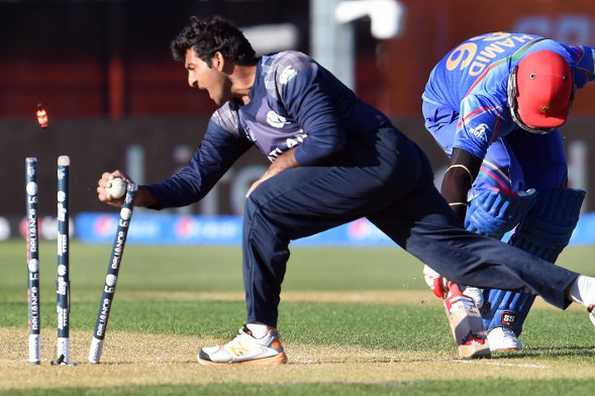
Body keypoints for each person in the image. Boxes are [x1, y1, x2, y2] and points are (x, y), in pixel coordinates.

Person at [97, 17, 595, 365]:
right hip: (378, 178)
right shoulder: (229, 118)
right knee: (459, 258)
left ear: (220, 60)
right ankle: (581, 288)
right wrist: (136, 194)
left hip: (382, 161)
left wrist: (277, 170)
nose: (190, 81)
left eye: (192, 68)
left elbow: (328, 138)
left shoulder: (289, 70)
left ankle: (259, 335)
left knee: (263, 203)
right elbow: (192, 182)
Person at [421, 32, 595, 352]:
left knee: (553, 211)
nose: (537, 129)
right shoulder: (483, 101)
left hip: (516, 101)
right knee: (498, 193)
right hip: (451, 104)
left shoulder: (575, 61)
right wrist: (443, 246)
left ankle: (503, 322)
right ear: (515, 88)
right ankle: (465, 271)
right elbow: (460, 174)